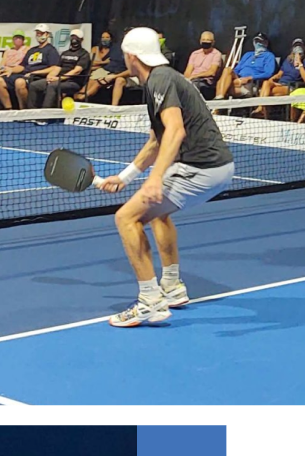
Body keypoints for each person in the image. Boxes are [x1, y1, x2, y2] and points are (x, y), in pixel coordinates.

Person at [96, 27, 235, 328]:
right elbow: (157, 141)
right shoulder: (164, 78)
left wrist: (155, 179)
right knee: (158, 215)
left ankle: (150, 302)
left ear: (131, 56)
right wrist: (126, 176)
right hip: (216, 167)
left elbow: (175, 130)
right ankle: (171, 287)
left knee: (126, 219)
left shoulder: (158, 79)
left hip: (200, 167)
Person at [27, 29, 91, 111]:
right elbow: (57, 68)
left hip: (73, 82)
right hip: (58, 79)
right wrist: (50, 76)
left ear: (81, 39)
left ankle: (44, 114)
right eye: (72, 37)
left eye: (76, 37)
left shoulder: (84, 54)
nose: (74, 39)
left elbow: (77, 71)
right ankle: (32, 112)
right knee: (34, 85)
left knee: (52, 86)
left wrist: (59, 78)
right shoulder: (65, 53)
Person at [213, 32, 276, 109]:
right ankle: (220, 98)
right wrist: (237, 80)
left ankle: (217, 106)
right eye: (256, 41)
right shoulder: (248, 54)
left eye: (261, 42)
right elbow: (237, 69)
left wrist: (250, 78)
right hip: (239, 79)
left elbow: (268, 73)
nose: (258, 44)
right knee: (227, 69)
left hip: (251, 83)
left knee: (221, 84)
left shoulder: (269, 56)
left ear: (266, 43)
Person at [253, 38, 305, 117]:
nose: (297, 48)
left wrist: (300, 64)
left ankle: (262, 111)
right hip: (281, 83)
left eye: (300, 46)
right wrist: (271, 80)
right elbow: (279, 74)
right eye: (296, 46)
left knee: (267, 93)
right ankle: (262, 109)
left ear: (304, 48)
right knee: (266, 83)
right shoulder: (288, 60)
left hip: (291, 86)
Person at [12, 24, 61, 108]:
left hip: (39, 77)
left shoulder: (51, 50)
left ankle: (26, 109)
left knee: (19, 82)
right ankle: (15, 109)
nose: (39, 35)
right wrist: (10, 70)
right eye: (37, 33)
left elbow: (54, 67)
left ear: (47, 34)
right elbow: (23, 65)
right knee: (1, 80)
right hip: (26, 74)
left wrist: (35, 72)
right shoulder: (32, 50)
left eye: (41, 33)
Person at [85, 31, 128, 101]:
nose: (105, 39)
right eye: (103, 37)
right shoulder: (116, 48)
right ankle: (80, 97)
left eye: (107, 37)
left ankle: (113, 109)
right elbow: (110, 62)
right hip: (107, 70)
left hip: (120, 73)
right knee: (94, 77)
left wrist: (114, 75)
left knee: (100, 82)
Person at [183, 31, 222, 99]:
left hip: (206, 82)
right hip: (191, 80)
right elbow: (188, 71)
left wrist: (194, 76)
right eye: (203, 40)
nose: (205, 42)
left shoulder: (216, 54)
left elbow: (212, 72)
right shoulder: (195, 54)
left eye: (208, 40)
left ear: (213, 42)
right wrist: (186, 79)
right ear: (200, 41)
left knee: (195, 85)